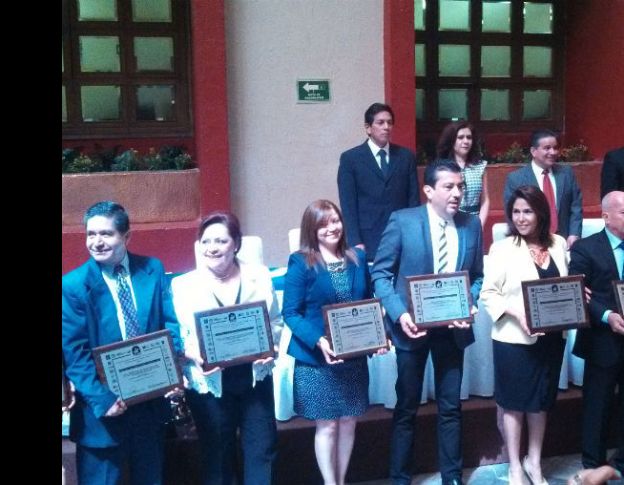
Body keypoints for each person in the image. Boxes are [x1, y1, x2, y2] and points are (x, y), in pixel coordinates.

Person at [371, 159, 484, 485]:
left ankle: (451, 477)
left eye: (460, 186)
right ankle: (399, 478)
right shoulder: (403, 221)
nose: (457, 193)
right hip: (412, 328)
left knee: (451, 407)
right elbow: (381, 274)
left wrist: (470, 304)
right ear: (428, 190)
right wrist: (400, 314)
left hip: (453, 330)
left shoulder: (470, 225)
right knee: (406, 407)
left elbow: (477, 276)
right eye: (449, 186)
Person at [62, 201, 181, 485]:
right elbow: (74, 353)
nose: (96, 242)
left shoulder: (152, 269)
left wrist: (173, 370)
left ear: (127, 236)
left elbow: (170, 323)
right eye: (91, 234)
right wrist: (103, 399)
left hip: (149, 406)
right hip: (102, 413)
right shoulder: (73, 285)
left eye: (106, 234)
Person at [170, 211, 281, 484]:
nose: (212, 248)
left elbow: (275, 321)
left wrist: (272, 346)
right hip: (210, 381)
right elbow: (178, 335)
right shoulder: (183, 285)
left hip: (255, 376)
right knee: (217, 455)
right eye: (206, 241)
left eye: (220, 241)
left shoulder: (260, 276)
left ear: (236, 244)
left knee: (261, 450)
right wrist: (191, 355)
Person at [282, 200, 385, 485]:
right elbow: (290, 313)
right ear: (312, 229)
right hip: (317, 360)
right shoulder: (301, 262)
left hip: (352, 355)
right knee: (327, 425)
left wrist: (379, 331)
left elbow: (367, 301)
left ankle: (342, 478)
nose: (332, 228)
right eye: (323, 223)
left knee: (350, 420)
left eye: (335, 221)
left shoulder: (357, 258)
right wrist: (319, 341)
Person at [481, 185, 571, 485]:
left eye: (527, 211)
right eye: (516, 212)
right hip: (513, 340)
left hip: (551, 338)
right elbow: (488, 294)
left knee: (541, 402)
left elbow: (565, 287)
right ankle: (515, 466)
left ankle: (534, 461)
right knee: (515, 403)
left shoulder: (558, 244)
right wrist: (518, 314)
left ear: (541, 213)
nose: (521, 218)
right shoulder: (502, 248)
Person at [568, 191, 624, 482]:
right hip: (603, 341)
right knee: (598, 404)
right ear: (606, 217)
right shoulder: (585, 248)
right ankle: (592, 465)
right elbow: (580, 295)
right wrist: (608, 317)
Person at [337, 102, 420, 261]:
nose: (386, 127)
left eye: (389, 122)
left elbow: (413, 200)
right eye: (380, 122)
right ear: (368, 128)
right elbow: (348, 204)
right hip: (367, 238)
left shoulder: (405, 156)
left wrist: (413, 235)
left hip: (401, 235)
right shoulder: (351, 159)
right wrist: (355, 241)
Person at [503, 129, 583, 249]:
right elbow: (511, 213)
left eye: (555, 148)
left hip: (564, 242)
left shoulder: (566, 174)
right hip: (530, 243)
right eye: (547, 148)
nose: (553, 152)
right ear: (533, 151)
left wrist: (574, 234)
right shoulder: (516, 178)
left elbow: (575, 206)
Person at [436, 121, 490, 228]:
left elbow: (485, 200)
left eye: (469, 137)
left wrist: (479, 225)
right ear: (451, 140)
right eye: (460, 137)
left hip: (474, 220)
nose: (466, 141)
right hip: (448, 221)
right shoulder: (442, 167)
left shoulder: (480, 166)